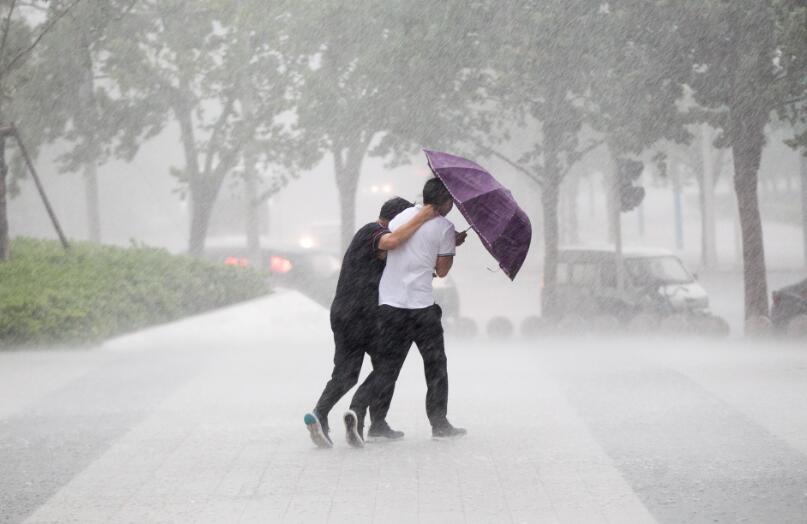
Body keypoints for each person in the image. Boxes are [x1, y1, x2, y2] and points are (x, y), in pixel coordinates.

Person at [304, 197, 438, 448]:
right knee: (387, 366)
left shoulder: (379, 239)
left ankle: (329, 415)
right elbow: (392, 241)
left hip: (349, 313)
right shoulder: (373, 232)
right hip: (361, 316)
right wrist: (423, 217)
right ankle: (359, 412)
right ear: (399, 220)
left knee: (351, 373)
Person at [344, 178, 467, 448]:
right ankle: (439, 423)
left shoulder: (400, 218)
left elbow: (397, 247)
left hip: (389, 305)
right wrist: (451, 245)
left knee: (387, 367)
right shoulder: (445, 227)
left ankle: (360, 410)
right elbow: (442, 270)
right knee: (435, 366)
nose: (453, 205)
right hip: (421, 308)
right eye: (451, 201)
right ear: (445, 203)